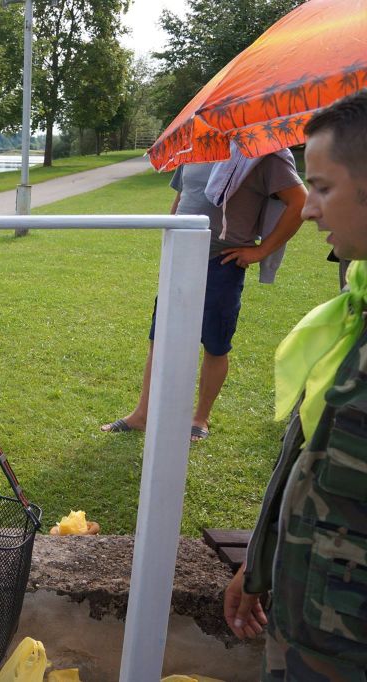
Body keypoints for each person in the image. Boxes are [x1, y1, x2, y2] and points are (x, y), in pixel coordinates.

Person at [223, 90, 367, 680]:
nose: (308, 210)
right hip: (304, 627)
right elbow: (312, 460)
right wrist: (261, 564)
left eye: (323, 188)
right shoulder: (352, 315)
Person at [100, 147, 306, 442]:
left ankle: (200, 417)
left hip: (222, 262)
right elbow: (182, 196)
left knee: (215, 344)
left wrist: (261, 251)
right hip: (180, 258)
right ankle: (142, 414)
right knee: (159, 338)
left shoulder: (261, 152)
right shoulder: (195, 146)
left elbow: (300, 202)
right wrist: (170, 237)